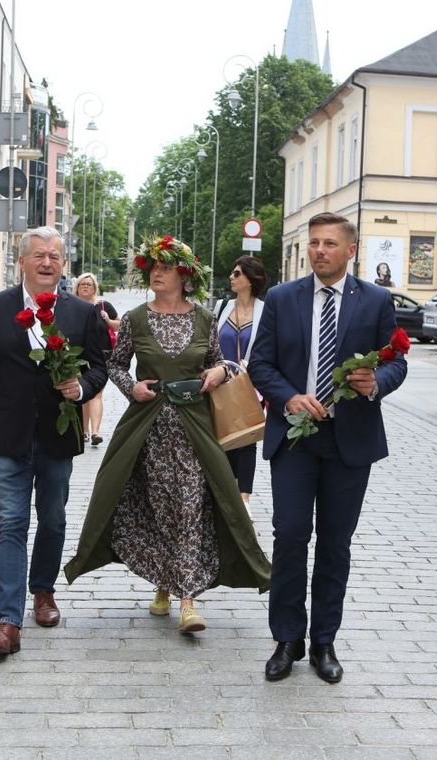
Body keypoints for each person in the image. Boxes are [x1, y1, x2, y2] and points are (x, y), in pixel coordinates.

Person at [65, 235, 270, 634]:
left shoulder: (206, 319)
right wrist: (132, 388)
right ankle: (164, 581)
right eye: (152, 269)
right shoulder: (137, 319)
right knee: (160, 507)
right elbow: (116, 364)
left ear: (184, 276)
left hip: (195, 429)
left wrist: (218, 372)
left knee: (191, 506)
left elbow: (218, 363)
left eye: (165, 268)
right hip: (149, 430)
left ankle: (188, 600)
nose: (156, 274)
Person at [249, 212, 408, 684]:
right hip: (294, 438)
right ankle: (286, 639)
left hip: (349, 442)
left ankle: (323, 642)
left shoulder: (376, 301)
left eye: (329, 244)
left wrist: (372, 383)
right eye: (314, 243)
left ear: (351, 250)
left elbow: (396, 365)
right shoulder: (281, 298)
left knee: (336, 544)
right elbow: (261, 364)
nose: (319, 251)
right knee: (291, 534)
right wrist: (288, 396)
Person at [0, 226, 109, 656]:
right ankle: (7, 621)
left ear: (63, 264)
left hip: (59, 436)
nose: (46, 263)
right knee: (11, 523)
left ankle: (43, 590)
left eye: (54, 257)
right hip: (8, 434)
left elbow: (102, 366)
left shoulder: (81, 312)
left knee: (53, 519)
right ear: (21, 262)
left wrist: (83, 386)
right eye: (38, 255)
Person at [213, 255, 266, 512]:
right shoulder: (223, 306)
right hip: (219, 383)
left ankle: (243, 498)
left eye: (237, 274)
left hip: (250, 384)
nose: (232, 278)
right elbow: (211, 343)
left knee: (246, 437)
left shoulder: (265, 311)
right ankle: (226, 492)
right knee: (222, 435)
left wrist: (252, 368)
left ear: (250, 279)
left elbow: (269, 347)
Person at [74, 272, 121, 447]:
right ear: (77, 288)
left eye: (89, 284)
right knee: (83, 393)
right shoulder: (72, 306)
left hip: (101, 356)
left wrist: (108, 320)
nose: (86, 287)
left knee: (96, 393)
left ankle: (95, 432)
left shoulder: (103, 305)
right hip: (77, 357)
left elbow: (121, 324)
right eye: (82, 284)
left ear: (94, 288)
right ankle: (84, 431)